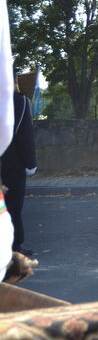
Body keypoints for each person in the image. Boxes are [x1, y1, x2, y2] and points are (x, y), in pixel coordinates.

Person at [2, 83, 36, 254]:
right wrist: (30, 163)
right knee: (13, 205)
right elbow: (25, 134)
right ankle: (13, 245)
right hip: (11, 162)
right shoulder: (19, 101)